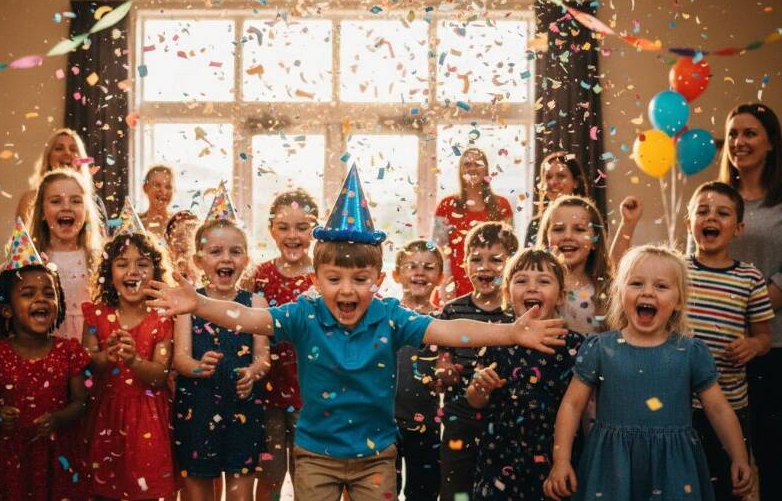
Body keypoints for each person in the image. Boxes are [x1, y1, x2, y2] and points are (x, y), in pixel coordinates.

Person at [147, 165, 566, 500]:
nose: (347, 290)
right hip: (315, 456)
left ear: (378, 280)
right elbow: (249, 318)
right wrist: (199, 303)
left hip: (376, 457)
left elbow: (448, 329)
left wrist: (511, 332)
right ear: (316, 279)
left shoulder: (390, 317)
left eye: (360, 279)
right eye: (334, 279)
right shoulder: (305, 314)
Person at [543, 245, 753, 501]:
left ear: (679, 300)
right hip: (612, 465)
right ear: (619, 292)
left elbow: (718, 409)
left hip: (672, 468)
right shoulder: (600, 348)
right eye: (636, 283)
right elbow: (572, 405)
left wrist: (739, 457)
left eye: (661, 286)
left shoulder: (690, 352)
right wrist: (561, 460)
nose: (648, 292)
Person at [467, 248, 585, 500]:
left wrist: (562, 461)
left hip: (553, 459)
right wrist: (480, 387)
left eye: (543, 281)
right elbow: (475, 400)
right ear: (506, 294)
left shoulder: (576, 346)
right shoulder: (496, 338)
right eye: (521, 281)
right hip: (499, 457)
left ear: (561, 296)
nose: (532, 288)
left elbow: (578, 406)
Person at [685, 180, 773, 501]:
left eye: (722, 213)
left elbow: (763, 335)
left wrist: (753, 345)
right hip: (679, 402)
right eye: (703, 211)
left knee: (727, 482)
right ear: (689, 223)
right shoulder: (676, 271)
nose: (711, 218)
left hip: (731, 404)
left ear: (738, 229)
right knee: (683, 482)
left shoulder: (749, 277)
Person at [0, 262, 89, 500]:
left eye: (49, 293)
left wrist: (58, 418)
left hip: (58, 456)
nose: (41, 299)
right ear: (7, 310)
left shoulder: (70, 352)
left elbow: (82, 402)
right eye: (28, 294)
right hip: (7, 459)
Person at [172, 219, 269, 501]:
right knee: (200, 491)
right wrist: (197, 367)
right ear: (198, 261)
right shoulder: (188, 304)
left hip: (244, 409)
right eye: (215, 251)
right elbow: (180, 359)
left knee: (241, 493)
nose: (226, 258)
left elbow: (263, 357)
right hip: (198, 410)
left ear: (246, 261)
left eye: (235, 252)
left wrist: (252, 372)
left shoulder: (256, 303)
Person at [81, 231, 178, 500]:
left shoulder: (162, 319)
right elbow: (86, 363)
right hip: (106, 418)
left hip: (148, 421)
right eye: (122, 263)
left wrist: (134, 361)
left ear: (156, 272)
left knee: (146, 490)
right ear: (108, 272)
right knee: (104, 491)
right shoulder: (96, 315)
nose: (132, 271)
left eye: (143, 264)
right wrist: (106, 356)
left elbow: (159, 375)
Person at [718, 103, 782, 499]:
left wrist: (748, 311)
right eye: (732, 134)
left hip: (774, 347)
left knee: (774, 456)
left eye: (750, 133)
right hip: (722, 350)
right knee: (726, 462)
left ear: (771, 142)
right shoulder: (717, 199)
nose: (739, 142)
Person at [435, 221, 518, 500]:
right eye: (476, 259)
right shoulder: (452, 310)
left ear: (511, 265)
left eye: (496, 260)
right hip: (460, 417)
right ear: (465, 264)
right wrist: (444, 370)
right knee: (456, 489)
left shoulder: (515, 315)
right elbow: (442, 358)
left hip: (503, 418)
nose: (485, 267)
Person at [250, 189, 318, 500]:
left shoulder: (323, 276)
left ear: (315, 230)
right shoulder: (260, 276)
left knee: (309, 476)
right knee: (270, 474)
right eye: (283, 227)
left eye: (302, 227)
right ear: (271, 230)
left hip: (311, 394)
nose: (293, 235)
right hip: (268, 392)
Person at [392, 239, 444, 501]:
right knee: (383, 489)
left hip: (427, 422)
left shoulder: (444, 319)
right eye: (411, 266)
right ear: (396, 274)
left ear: (440, 277)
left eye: (428, 267)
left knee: (424, 491)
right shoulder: (387, 315)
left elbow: (447, 364)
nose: (420, 272)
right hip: (386, 421)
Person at [29, 169, 103, 341]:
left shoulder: (97, 259)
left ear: (86, 211)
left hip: (89, 343)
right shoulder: (32, 259)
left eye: (76, 201)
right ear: (42, 212)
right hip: (44, 343)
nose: (66, 207)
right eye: (56, 201)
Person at [434, 147, 513, 301]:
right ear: (460, 170)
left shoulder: (502, 205)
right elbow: (439, 251)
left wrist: (501, 284)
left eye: (477, 164)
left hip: (492, 281)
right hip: (454, 283)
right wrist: (446, 285)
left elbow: (508, 251)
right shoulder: (446, 205)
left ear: (486, 169)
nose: (472, 168)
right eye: (467, 164)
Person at [536, 195, 612, 336]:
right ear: (546, 238)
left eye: (579, 229)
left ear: (595, 240)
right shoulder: (533, 287)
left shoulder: (607, 289)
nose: (568, 236)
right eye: (559, 229)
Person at [16, 128, 107, 229]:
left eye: (73, 149)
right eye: (59, 148)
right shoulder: (30, 200)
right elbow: (21, 237)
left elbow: (101, 238)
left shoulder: (93, 202)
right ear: (48, 157)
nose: (67, 153)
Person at [525, 152, 590, 247]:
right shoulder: (535, 225)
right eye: (548, 177)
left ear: (576, 182)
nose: (553, 182)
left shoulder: (590, 219)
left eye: (561, 176)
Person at [140, 164, 176, 237]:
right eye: (157, 185)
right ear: (145, 188)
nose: (164, 191)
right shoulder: (135, 224)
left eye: (168, 187)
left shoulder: (179, 224)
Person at [165, 209, 199, 278]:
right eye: (180, 237)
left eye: (190, 235)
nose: (186, 241)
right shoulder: (165, 277)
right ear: (169, 245)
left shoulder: (209, 275)